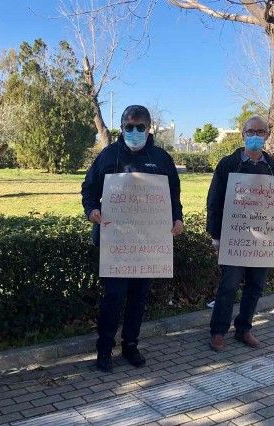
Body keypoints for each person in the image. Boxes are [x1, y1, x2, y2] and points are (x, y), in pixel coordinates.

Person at [81, 105, 184, 372]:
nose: (135, 131)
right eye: (130, 126)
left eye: (140, 127)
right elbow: (88, 187)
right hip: (115, 242)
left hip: (148, 244)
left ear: (149, 128)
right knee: (113, 297)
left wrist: (177, 218)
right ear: (122, 128)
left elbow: (173, 195)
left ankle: (130, 346)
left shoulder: (161, 158)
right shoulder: (108, 155)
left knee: (139, 298)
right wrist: (92, 209)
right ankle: (104, 350)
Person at [206, 116, 274, 351]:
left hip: (263, 239)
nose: (255, 136)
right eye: (251, 132)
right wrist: (215, 235)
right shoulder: (228, 164)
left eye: (260, 132)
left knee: (256, 286)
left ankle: (244, 329)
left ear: (267, 136)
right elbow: (214, 200)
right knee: (229, 285)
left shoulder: (273, 168)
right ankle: (218, 332)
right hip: (234, 237)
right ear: (242, 135)